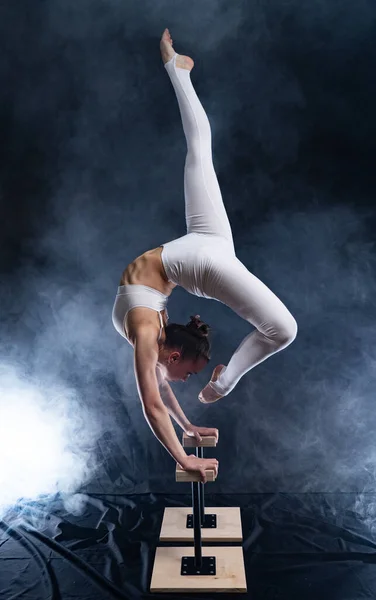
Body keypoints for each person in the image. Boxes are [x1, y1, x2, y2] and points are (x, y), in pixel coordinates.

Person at [112, 29, 298, 483]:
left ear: (173, 353)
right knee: (200, 153)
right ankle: (178, 72)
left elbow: (152, 401)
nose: (183, 380)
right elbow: (162, 387)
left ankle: (226, 381)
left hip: (200, 261)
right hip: (195, 245)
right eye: (197, 374)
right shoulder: (152, 339)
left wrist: (184, 456)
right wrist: (188, 430)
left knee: (283, 330)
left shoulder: (144, 333)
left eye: (191, 373)